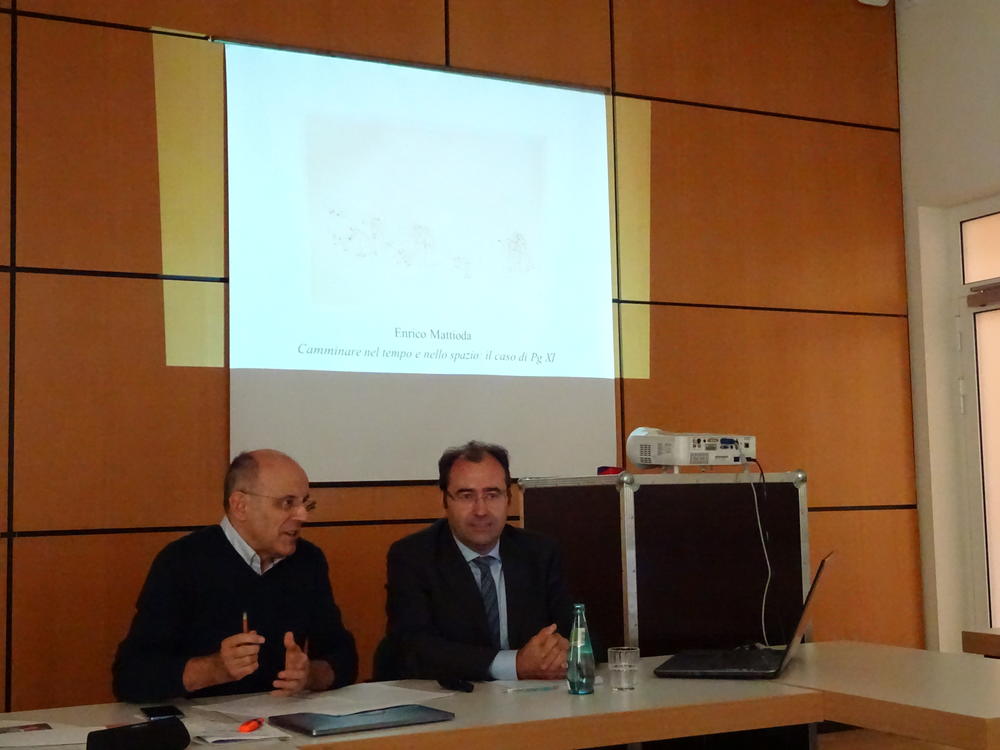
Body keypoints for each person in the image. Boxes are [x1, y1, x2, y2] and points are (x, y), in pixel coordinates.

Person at [112, 449, 358, 702]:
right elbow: (130, 676)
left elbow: (343, 657)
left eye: (306, 504)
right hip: (200, 720)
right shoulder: (182, 561)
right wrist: (213, 670)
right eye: (287, 503)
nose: (302, 515)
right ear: (240, 505)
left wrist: (309, 675)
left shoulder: (307, 560)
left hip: (283, 716)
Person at [380, 440, 573, 682]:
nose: (481, 510)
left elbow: (579, 632)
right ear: (445, 501)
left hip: (532, 696)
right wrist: (514, 665)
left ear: (508, 499)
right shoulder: (413, 557)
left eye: (492, 495)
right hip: (453, 697)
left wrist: (562, 651)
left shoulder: (540, 553)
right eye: (466, 496)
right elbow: (413, 649)